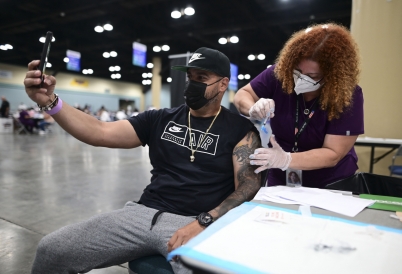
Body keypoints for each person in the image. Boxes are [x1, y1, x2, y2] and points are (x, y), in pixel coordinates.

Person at [23, 47, 261, 274]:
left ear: (223, 84)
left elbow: (248, 186)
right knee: (52, 249)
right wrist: (50, 101)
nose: (192, 84)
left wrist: (205, 222)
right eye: (190, 77)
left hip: (196, 220)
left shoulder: (240, 129)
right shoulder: (160, 119)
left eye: (202, 77)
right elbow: (100, 132)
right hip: (142, 214)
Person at [233, 23, 364, 188]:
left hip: (330, 182)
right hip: (282, 178)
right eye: (297, 71)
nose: (301, 79)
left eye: (312, 75)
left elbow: (333, 154)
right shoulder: (280, 74)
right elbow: (243, 94)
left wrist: (286, 159)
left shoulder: (347, 95)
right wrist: (252, 108)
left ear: (332, 76)